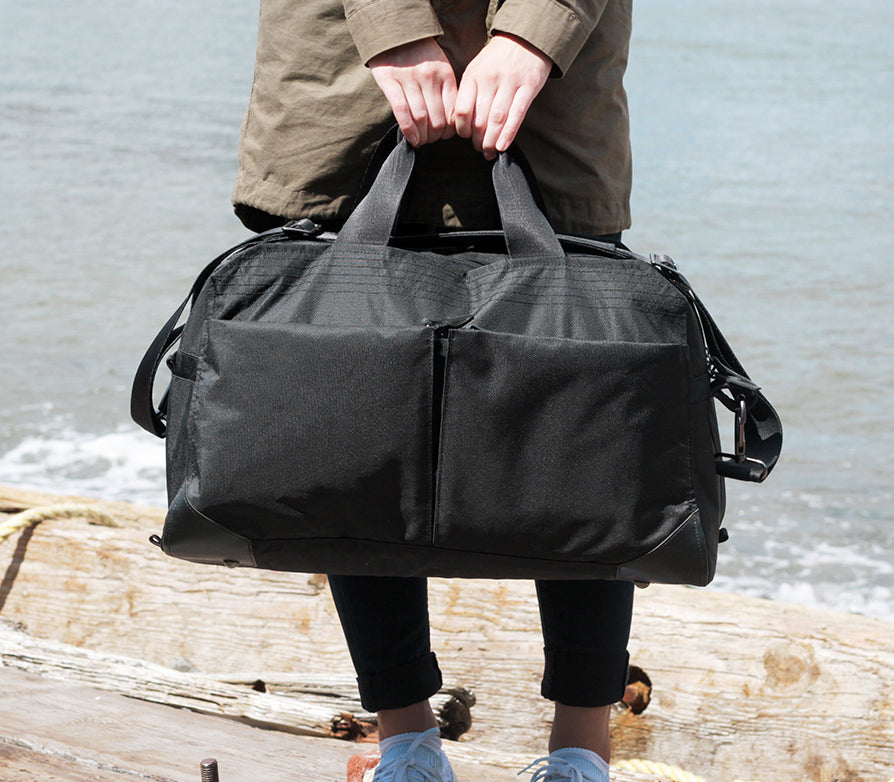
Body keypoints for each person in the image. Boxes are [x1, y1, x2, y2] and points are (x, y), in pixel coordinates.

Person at [230, 2, 636, 780]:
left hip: (551, 88)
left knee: (580, 419)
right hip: (346, 79)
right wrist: (392, 23)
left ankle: (582, 754)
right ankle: (407, 747)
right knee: (352, 417)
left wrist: (535, 31)